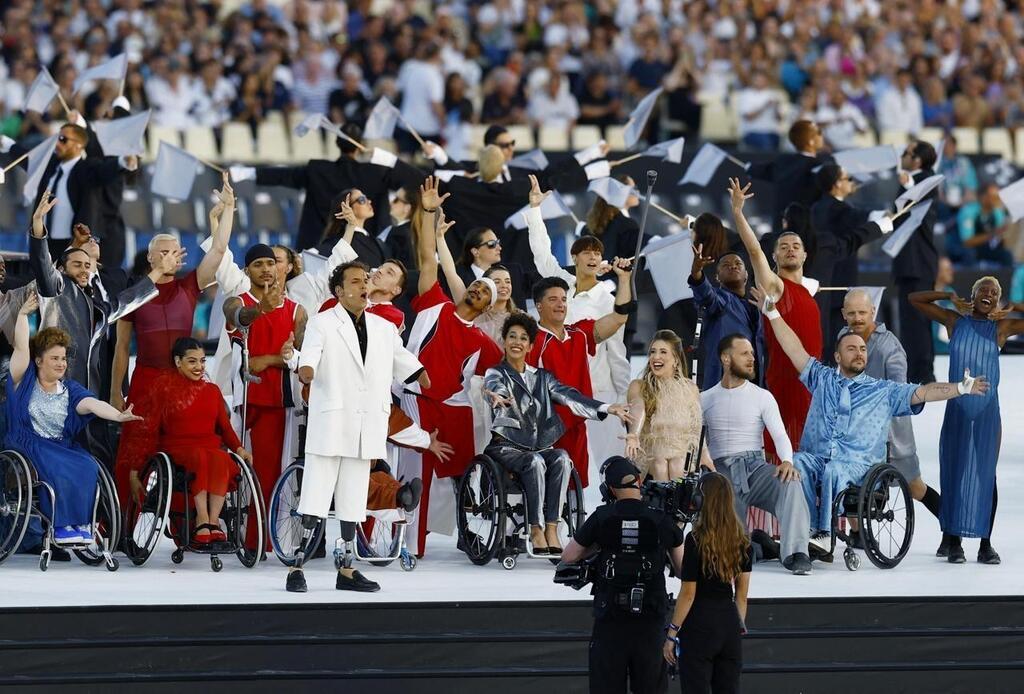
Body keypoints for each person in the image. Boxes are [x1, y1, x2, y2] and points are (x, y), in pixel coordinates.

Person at [760, 289, 989, 541]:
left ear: (872, 312)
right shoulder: (824, 376)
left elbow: (921, 392)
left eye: (862, 349)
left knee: (911, 487)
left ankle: (823, 532)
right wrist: (772, 312)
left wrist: (960, 387)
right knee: (800, 461)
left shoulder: (886, 367)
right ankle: (811, 531)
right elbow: (794, 349)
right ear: (837, 354)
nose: (858, 351)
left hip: (883, 441)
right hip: (827, 452)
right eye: (852, 348)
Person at [286, 260, 427, 593]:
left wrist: (419, 372)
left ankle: (347, 569)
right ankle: (297, 565)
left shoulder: (382, 327)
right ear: (339, 290)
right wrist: (306, 369)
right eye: (355, 281)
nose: (364, 285)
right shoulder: (323, 322)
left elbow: (400, 356)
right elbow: (311, 354)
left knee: (353, 498)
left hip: (366, 423)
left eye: (365, 279)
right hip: (332, 422)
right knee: (316, 495)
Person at [112, 176, 235, 499]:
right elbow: (122, 348)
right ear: (151, 258)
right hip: (146, 380)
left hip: (182, 381)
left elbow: (220, 248)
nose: (169, 256)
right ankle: (122, 527)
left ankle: (189, 521)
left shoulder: (189, 286)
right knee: (133, 456)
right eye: (161, 252)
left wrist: (230, 209)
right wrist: (115, 391)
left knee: (186, 450)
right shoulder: (134, 294)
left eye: (173, 251)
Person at [400, 177, 504, 556]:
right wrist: (427, 212)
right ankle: (408, 536)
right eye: (478, 287)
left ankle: (465, 528)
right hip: (413, 398)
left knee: (460, 471)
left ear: (488, 307)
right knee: (413, 473)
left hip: (449, 408)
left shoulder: (483, 342)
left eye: (486, 294)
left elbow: (500, 376)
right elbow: (428, 258)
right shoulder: (435, 304)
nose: (478, 291)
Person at [482, 313, 629, 553]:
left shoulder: (542, 377)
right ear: (505, 341)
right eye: (512, 337)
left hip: (537, 447)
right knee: (535, 461)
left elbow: (570, 396)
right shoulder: (496, 373)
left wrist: (606, 408)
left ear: (530, 345)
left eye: (523, 338)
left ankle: (552, 527)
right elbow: (492, 387)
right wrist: (495, 396)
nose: (517, 342)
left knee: (561, 457)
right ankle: (536, 528)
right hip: (506, 448)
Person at [5, 292, 141, 545]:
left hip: (60, 446)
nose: (61, 363)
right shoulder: (23, 381)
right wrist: (23, 315)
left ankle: (79, 523)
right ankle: (61, 526)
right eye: (54, 358)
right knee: (58, 468)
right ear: (38, 361)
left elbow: (93, 404)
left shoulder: (69, 389)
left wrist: (119, 416)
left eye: (63, 358)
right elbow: (22, 346)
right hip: (27, 444)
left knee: (88, 465)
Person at [910, 277, 1024, 564]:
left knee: (987, 475)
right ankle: (953, 540)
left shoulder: (1001, 327)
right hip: (958, 408)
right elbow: (915, 299)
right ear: (972, 296)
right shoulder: (953, 321)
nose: (989, 294)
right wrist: (948, 294)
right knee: (955, 471)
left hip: (987, 412)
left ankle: (986, 544)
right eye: (983, 290)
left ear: (998, 300)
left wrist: (1015, 305)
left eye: (995, 293)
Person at [524, 175, 630, 468]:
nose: (593, 257)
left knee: (607, 465)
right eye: (587, 252)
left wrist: (621, 397)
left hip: (597, 390)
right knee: (563, 464)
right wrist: (534, 211)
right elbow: (541, 252)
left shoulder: (608, 300)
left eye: (598, 253)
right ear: (575, 256)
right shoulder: (560, 285)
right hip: (557, 394)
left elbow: (617, 353)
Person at [28, 194, 175, 397]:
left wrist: (158, 271)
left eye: (87, 266)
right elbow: (42, 262)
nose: (83, 270)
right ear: (62, 268)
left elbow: (125, 301)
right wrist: (38, 223)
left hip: (91, 387)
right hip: (56, 386)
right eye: (77, 264)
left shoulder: (96, 305)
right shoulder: (57, 287)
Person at [562, 457, 684, 694]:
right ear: (638, 481)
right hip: (650, 619)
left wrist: (598, 546)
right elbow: (682, 569)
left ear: (609, 489)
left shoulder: (602, 516)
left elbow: (569, 556)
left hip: (611, 619)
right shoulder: (660, 518)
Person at [700, 334, 813, 575]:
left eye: (752, 353)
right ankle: (757, 546)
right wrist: (707, 464)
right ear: (726, 358)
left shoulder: (762, 396)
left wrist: (786, 462)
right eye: (745, 354)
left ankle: (796, 552)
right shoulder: (705, 398)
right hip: (720, 473)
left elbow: (780, 435)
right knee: (734, 556)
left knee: (791, 481)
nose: (752, 359)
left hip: (755, 468)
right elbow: (697, 440)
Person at [123, 338, 252, 545]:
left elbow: (225, 428)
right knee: (201, 457)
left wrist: (239, 448)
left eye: (202, 361)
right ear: (177, 362)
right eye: (192, 362)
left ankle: (213, 521)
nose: (199, 367)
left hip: (209, 446)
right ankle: (201, 519)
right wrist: (135, 470)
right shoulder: (163, 390)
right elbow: (148, 432)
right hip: (177, 449)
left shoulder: (212, 391)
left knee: (221, 457)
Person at [729, 178, 821, 460]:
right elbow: (754, 251)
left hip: (814, 385)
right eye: (783, 246)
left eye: (796, 245)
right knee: (783, 456)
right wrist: (737, 212)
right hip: (788, 383)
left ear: (805, 254)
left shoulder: (808, 292)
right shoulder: (777, 287)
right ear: (775, 257)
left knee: (809, 455)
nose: (791, 248)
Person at [223, 244, 307, 541]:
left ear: (281, 267)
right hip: (243, 402)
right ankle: (225, 532)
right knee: (231, 472)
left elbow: (303, 359)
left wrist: (269, 359)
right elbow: (237, 318)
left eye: (271, 263)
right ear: (247, 271)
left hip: (277, 404)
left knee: (269, 476)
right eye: (258, 264)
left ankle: (261, 541)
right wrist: (261, 309)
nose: (266, 269)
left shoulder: (298, 312)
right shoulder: (237, 301)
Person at [230, 122, 424, 251]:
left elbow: (285, 175)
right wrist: (388, 159)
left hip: (320, 249)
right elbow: (416, 180)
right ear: (359, 145)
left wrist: (248, 173)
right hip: (366, 249)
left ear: (337, 144)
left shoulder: (318, 169)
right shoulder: (377, 172)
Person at [840, 289, 943, 527]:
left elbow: (899, 390)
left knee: (915, 487)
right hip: (856, 433)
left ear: (872, 312)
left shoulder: (889, 347)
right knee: (852, 483)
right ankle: (856, 534)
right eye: (852, 313)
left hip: (891, 434)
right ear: (844, 314)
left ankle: (951, 531)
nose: (857, 318)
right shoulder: (844, 336)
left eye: (862, 313)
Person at [528, 258, 634, 488]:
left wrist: (624, 280)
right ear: (538, 305)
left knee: (572, 499)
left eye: (564, 300)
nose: (560, 305)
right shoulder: (531, 341)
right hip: (543, 432)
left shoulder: (579, 334)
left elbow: (618, 318)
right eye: (553, 300)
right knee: (542, 499)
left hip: (575, 429)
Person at [664, 472, 752, 694]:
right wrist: (736, 626)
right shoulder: (743, 541)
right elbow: (741, 595)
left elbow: (688, 593)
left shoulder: (695, 540)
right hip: (730, 624)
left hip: (700, 625)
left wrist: (672, 633)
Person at [809, 164, 894, 353]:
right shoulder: (835, 207)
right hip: (838, 279)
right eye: (848, 179)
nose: (852, 183)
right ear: (837, 184)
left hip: (824, 278)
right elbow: (856, 216)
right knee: (836, 335)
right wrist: (881, 216)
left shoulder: (817, 206)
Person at [24, 121, 139, 259]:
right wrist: (9, 145)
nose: (57, 144)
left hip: (72, 243)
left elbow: (104, 170)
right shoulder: (51, 165)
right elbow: (29, 159)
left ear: (79, 145)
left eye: (63, 140)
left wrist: (122, 162)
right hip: (44, 241)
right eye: (57, 138)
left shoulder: (86, 168)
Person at [623, 330, 711, 481]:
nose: (656, 357)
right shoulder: (638, 386)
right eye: (652, 352)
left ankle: (676, 502)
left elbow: (696, 431)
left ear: (676, 360)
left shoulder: (690, 388)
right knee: (660, 464)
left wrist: (706, 458)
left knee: (677, 464)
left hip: (681, 454)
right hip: (651, 454)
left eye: (663, 352)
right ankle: (662, 500)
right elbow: (638, 407)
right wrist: (633, 435)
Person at [894, 140, 940, 384]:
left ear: (917, 161)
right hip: (913, 263)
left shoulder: (928, 181)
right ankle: (919, 371)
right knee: (914, 321)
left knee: (917, 320)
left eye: (906, 153)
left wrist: (907, 185)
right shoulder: (921, 182)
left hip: (916, 264)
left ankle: (922, 373)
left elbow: (911, 207)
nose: (902, 156)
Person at [687, 242, 761, 389]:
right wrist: (697, 274)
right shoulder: (720, 300)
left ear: (746, 275)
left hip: (753, 385)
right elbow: (706, 295)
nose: (733, 266)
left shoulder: (756, 306)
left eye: (738, 263)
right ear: (717, 277)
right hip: (723, 384)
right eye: (725, 265)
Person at [747, 120, 832, 238]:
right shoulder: (818, 166)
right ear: (811, 141)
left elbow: (757, 170)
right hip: (806, 232)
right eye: (818, 133)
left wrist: (749, 167)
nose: (821, 136)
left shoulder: (783, 162)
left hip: (780, 228)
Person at [317, 189, 391, 270]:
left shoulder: (374, 241)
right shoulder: (337, 242)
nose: (369, 201)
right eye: (362, 199)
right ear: (347, 208)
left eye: (366, 198)